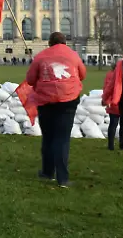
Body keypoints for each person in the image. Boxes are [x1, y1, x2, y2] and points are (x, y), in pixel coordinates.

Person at [25, 32, 86, 188]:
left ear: (49, 43)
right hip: (68, 100)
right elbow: (83, 74)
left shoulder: (41, 56)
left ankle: (47, 172)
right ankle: (63, 179)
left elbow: (31, 80)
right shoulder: (73, 55)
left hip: (45, 100)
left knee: (48, 137)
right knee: (62, 138)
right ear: (65, 42)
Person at [103, 64, 123, 152]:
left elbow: (106, 88)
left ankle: (112, 145)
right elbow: (107, 89)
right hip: (118, 103)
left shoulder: (110, 74)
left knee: (115, 124)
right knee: (119, 124)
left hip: (116, 102)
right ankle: (121, 143)